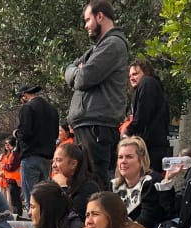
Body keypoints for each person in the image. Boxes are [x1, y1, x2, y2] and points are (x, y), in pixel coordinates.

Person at [65, 0, 129, 187]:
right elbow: (69, 68)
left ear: (100, 16)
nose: (86, 26)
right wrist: (76, 70)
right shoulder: (96, 48)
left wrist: (78, 71)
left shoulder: (113, 44)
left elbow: (83, 78)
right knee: (85, 182)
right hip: (89, 125)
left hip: (96, 127)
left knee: (95, 183)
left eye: (87, 20)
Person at [15, 84, 60, 205]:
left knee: (31, 198)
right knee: (42, 197)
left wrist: (16, 134)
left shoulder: (28, 108)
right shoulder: (52, 110)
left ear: (24, 96)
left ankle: (34, 221)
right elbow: (56, 134)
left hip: (30, 156)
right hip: (47, 159)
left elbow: (25, 133)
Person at [124, 59, 170, 171]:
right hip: (153, 145)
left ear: (146, 72)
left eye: (135, 74)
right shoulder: (151, 86)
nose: (131, 78)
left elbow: (142, 114)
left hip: (151, 147)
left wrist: (128, 130)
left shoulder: (147, 83)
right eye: (130, 75)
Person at [112, 136, 167, 228]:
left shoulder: (152, 182)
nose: (123, 161)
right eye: (120, 157)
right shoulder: (113, 185)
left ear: (141, 160)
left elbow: (146, 220)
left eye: (129, 157)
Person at [51, 141, 101, 219]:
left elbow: (71, 218)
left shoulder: (89, 188)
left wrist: (63, 189)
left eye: (58, 160)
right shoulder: (53, 184)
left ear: (73, 164)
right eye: (53, 161)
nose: (53, 165)